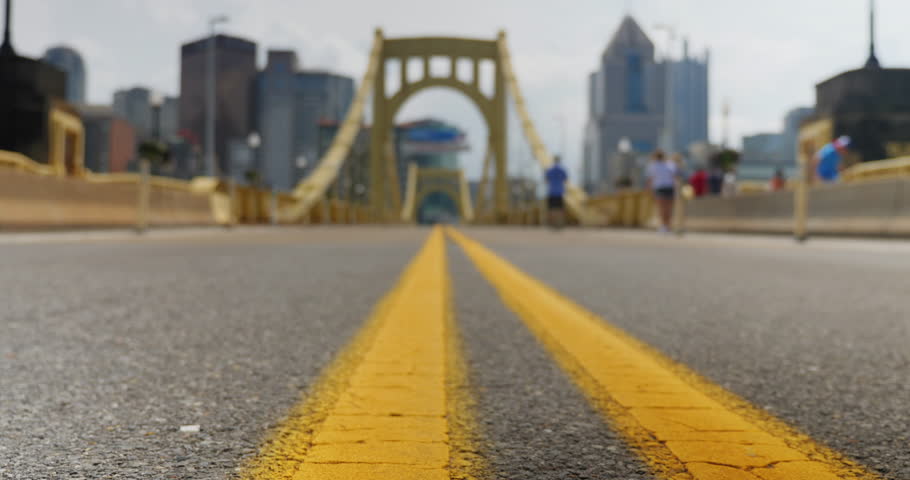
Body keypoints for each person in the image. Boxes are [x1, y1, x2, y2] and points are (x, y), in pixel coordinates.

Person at [646, 150, 677, 233]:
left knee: (662, 209)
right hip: (670, 188)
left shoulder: (653, 165)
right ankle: (668, 226)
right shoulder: (670, 164)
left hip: (660, 188)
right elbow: (674, 177)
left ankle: (664, 226)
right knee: (669, 209)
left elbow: (650, 179)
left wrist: (649, 190)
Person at [544, 156, 568, 229]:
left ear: (553, 161)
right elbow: (565, 180)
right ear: (559, 161)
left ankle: (553, 224)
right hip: (560, 192)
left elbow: (546, 181)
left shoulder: (549, 170)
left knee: (551, 209)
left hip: (551, 192)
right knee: (560, 209)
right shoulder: (563, 170)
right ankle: (559, 224)